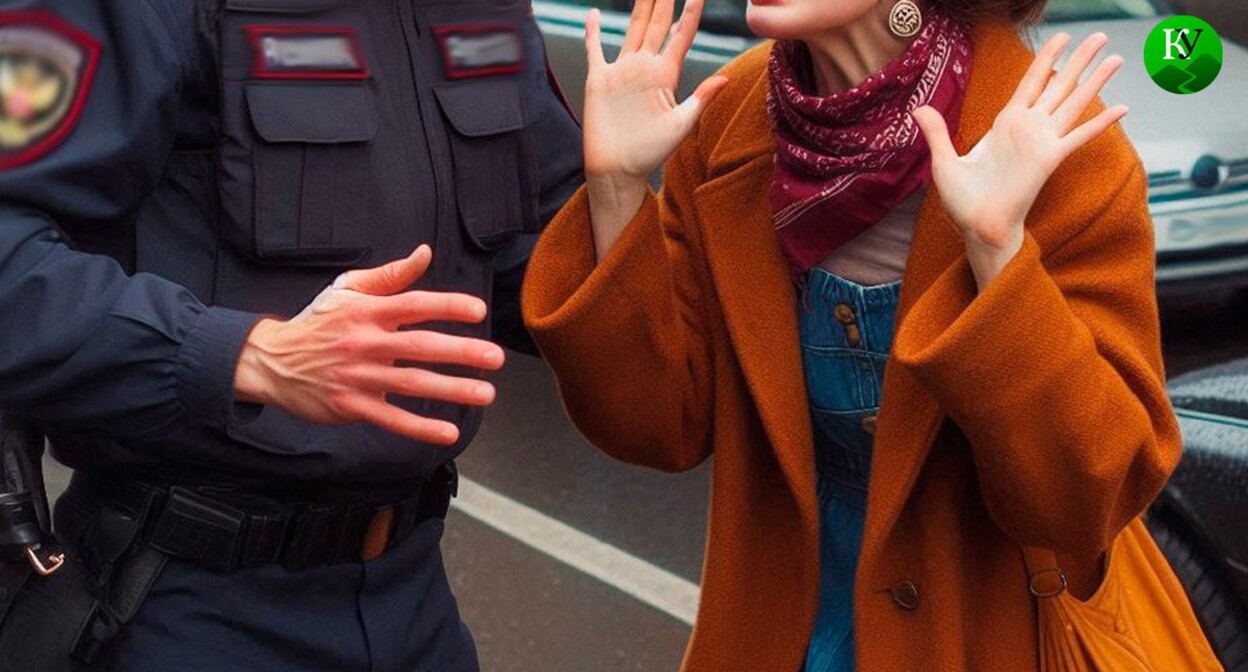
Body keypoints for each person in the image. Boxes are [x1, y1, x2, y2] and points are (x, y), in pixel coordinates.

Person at [522, 0, 1217, 670]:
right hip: (779, 638)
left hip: (986, 642)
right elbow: (657, 426)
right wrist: (615, 186)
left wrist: (997, 256)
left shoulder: (1057, 142)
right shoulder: (729, 112)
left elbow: (1085, 502)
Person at [0, 0, 581, 669]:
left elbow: (528, 267)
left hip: (415, 599)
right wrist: (243, 355)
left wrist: (630, 197)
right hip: (188, 605)